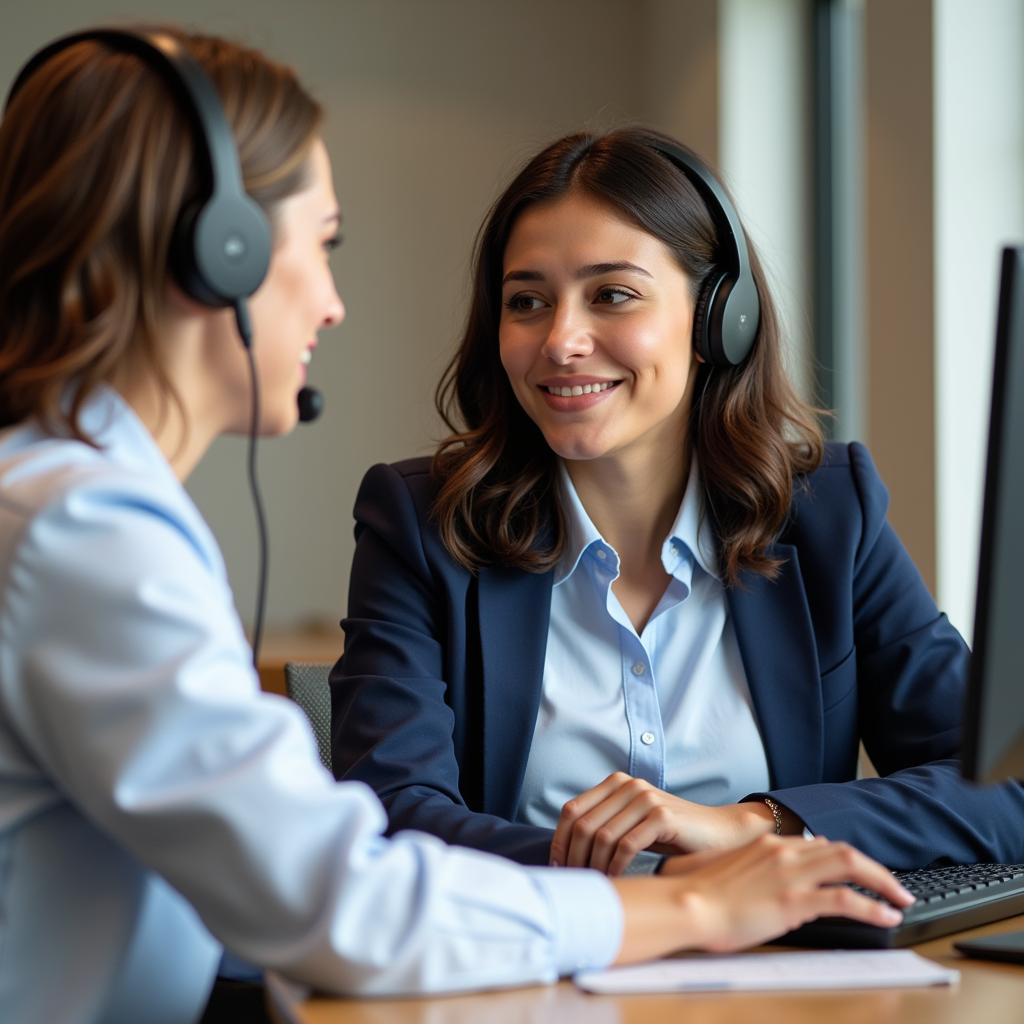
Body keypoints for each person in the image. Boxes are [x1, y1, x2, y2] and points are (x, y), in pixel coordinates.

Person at [0, 28, 913, 1024]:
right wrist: (691, 895)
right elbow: (348, 898)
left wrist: (750, 831)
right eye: (321, 244)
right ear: (219, 256)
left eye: (612, 293)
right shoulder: (81, 530)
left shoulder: (73, 508)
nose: (334, 301)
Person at [331, 125, 1024, 880]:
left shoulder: (829, 512)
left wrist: (755, 827)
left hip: (787, 992)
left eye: (613, 295)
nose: (561, 339)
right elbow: (391, 816)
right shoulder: (422, 524)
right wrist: (663, 884)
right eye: (527, 301)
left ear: (719, 319)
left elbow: (1000, 785)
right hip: (539, 981)